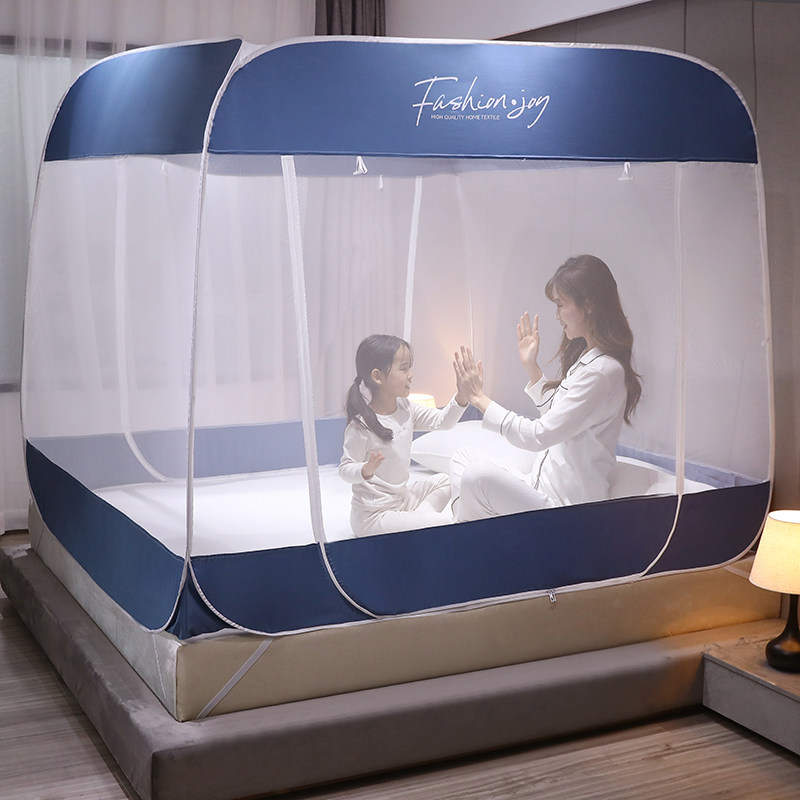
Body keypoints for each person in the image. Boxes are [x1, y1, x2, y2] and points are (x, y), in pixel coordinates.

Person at [452, 254, 642, 521]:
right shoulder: (588, 361)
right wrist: (532, 366)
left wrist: (479, 399)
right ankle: (463, 523)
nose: (557, 315)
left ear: (588, 305)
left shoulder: (603, 371)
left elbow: (539, 435)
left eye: (561, 305)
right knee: (462, 457)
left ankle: (464, 528)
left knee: (477, 476)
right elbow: (557, 416)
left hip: (566, 510)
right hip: (539, 487)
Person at [339, 334, 468, 536]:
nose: (411, 375)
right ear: (378, 377)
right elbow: (345, 469)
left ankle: (416, 520)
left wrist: (461, 396)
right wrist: (364, 469)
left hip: (402, 500)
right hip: (374, 515)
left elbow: (443, 421)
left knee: (445, 480)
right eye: (404, 368)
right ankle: (418, 522)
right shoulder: (361, 425)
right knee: (442, 521)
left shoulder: (406, 408)